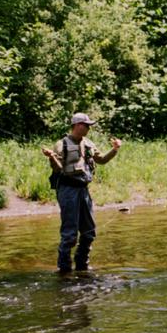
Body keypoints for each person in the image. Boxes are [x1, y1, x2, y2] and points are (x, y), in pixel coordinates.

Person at [42, 113, 121, 273]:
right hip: (67, 190)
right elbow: (57, 168)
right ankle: (64, 269)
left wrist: (115, 149)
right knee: (70, 233)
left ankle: (82, 265)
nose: (88, 128)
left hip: (83, 190)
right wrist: (51, 157)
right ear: (77, 125)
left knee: (89, 231)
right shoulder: (61, 144)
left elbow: (102, 160)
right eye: (86, 125)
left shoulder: (88, 144)